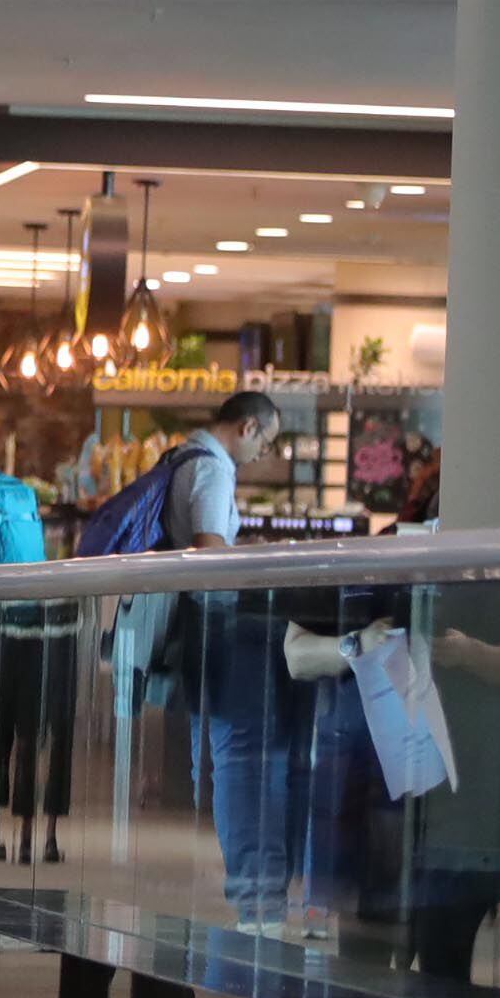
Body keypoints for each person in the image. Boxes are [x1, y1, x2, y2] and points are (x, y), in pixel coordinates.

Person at [162, 393, 301, 931]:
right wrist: (254, 561)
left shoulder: (183, 458)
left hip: (197, 629)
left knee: (224, 758)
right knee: (239, 758)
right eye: (264, 441)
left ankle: (251, 888)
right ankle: (254, 896)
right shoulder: (213, 472)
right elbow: (207, 551)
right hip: (216, 628)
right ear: (247, 427)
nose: (261, 452)